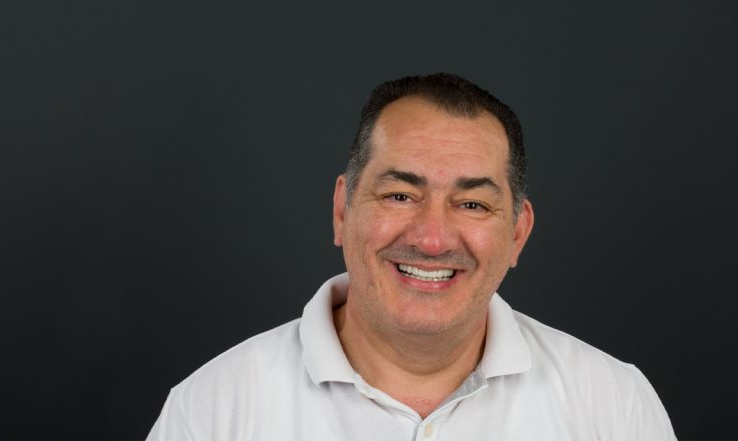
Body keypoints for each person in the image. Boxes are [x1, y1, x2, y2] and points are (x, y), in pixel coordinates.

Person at [147, 73, 675, 440]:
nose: (432, 239)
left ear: (517, 234)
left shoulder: (613, 404)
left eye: (472, 204)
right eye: (400, 195)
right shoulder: (212, 410)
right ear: (342, 211)